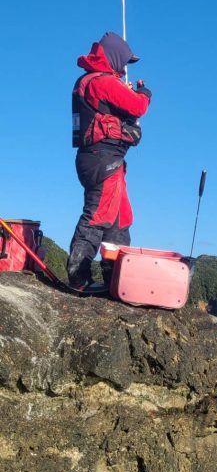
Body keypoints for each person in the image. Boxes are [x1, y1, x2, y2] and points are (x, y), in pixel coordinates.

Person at [67, 31, 152, 289]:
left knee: (120, 220)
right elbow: (138, 107)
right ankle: (78, 277)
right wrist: (144, 93)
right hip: (102, 160)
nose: (125, 68)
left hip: (101, 159)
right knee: (98, 217)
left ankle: (115, 278)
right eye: (124, 61)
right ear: (114, 57)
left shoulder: (92, 81)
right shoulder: (101, 82)